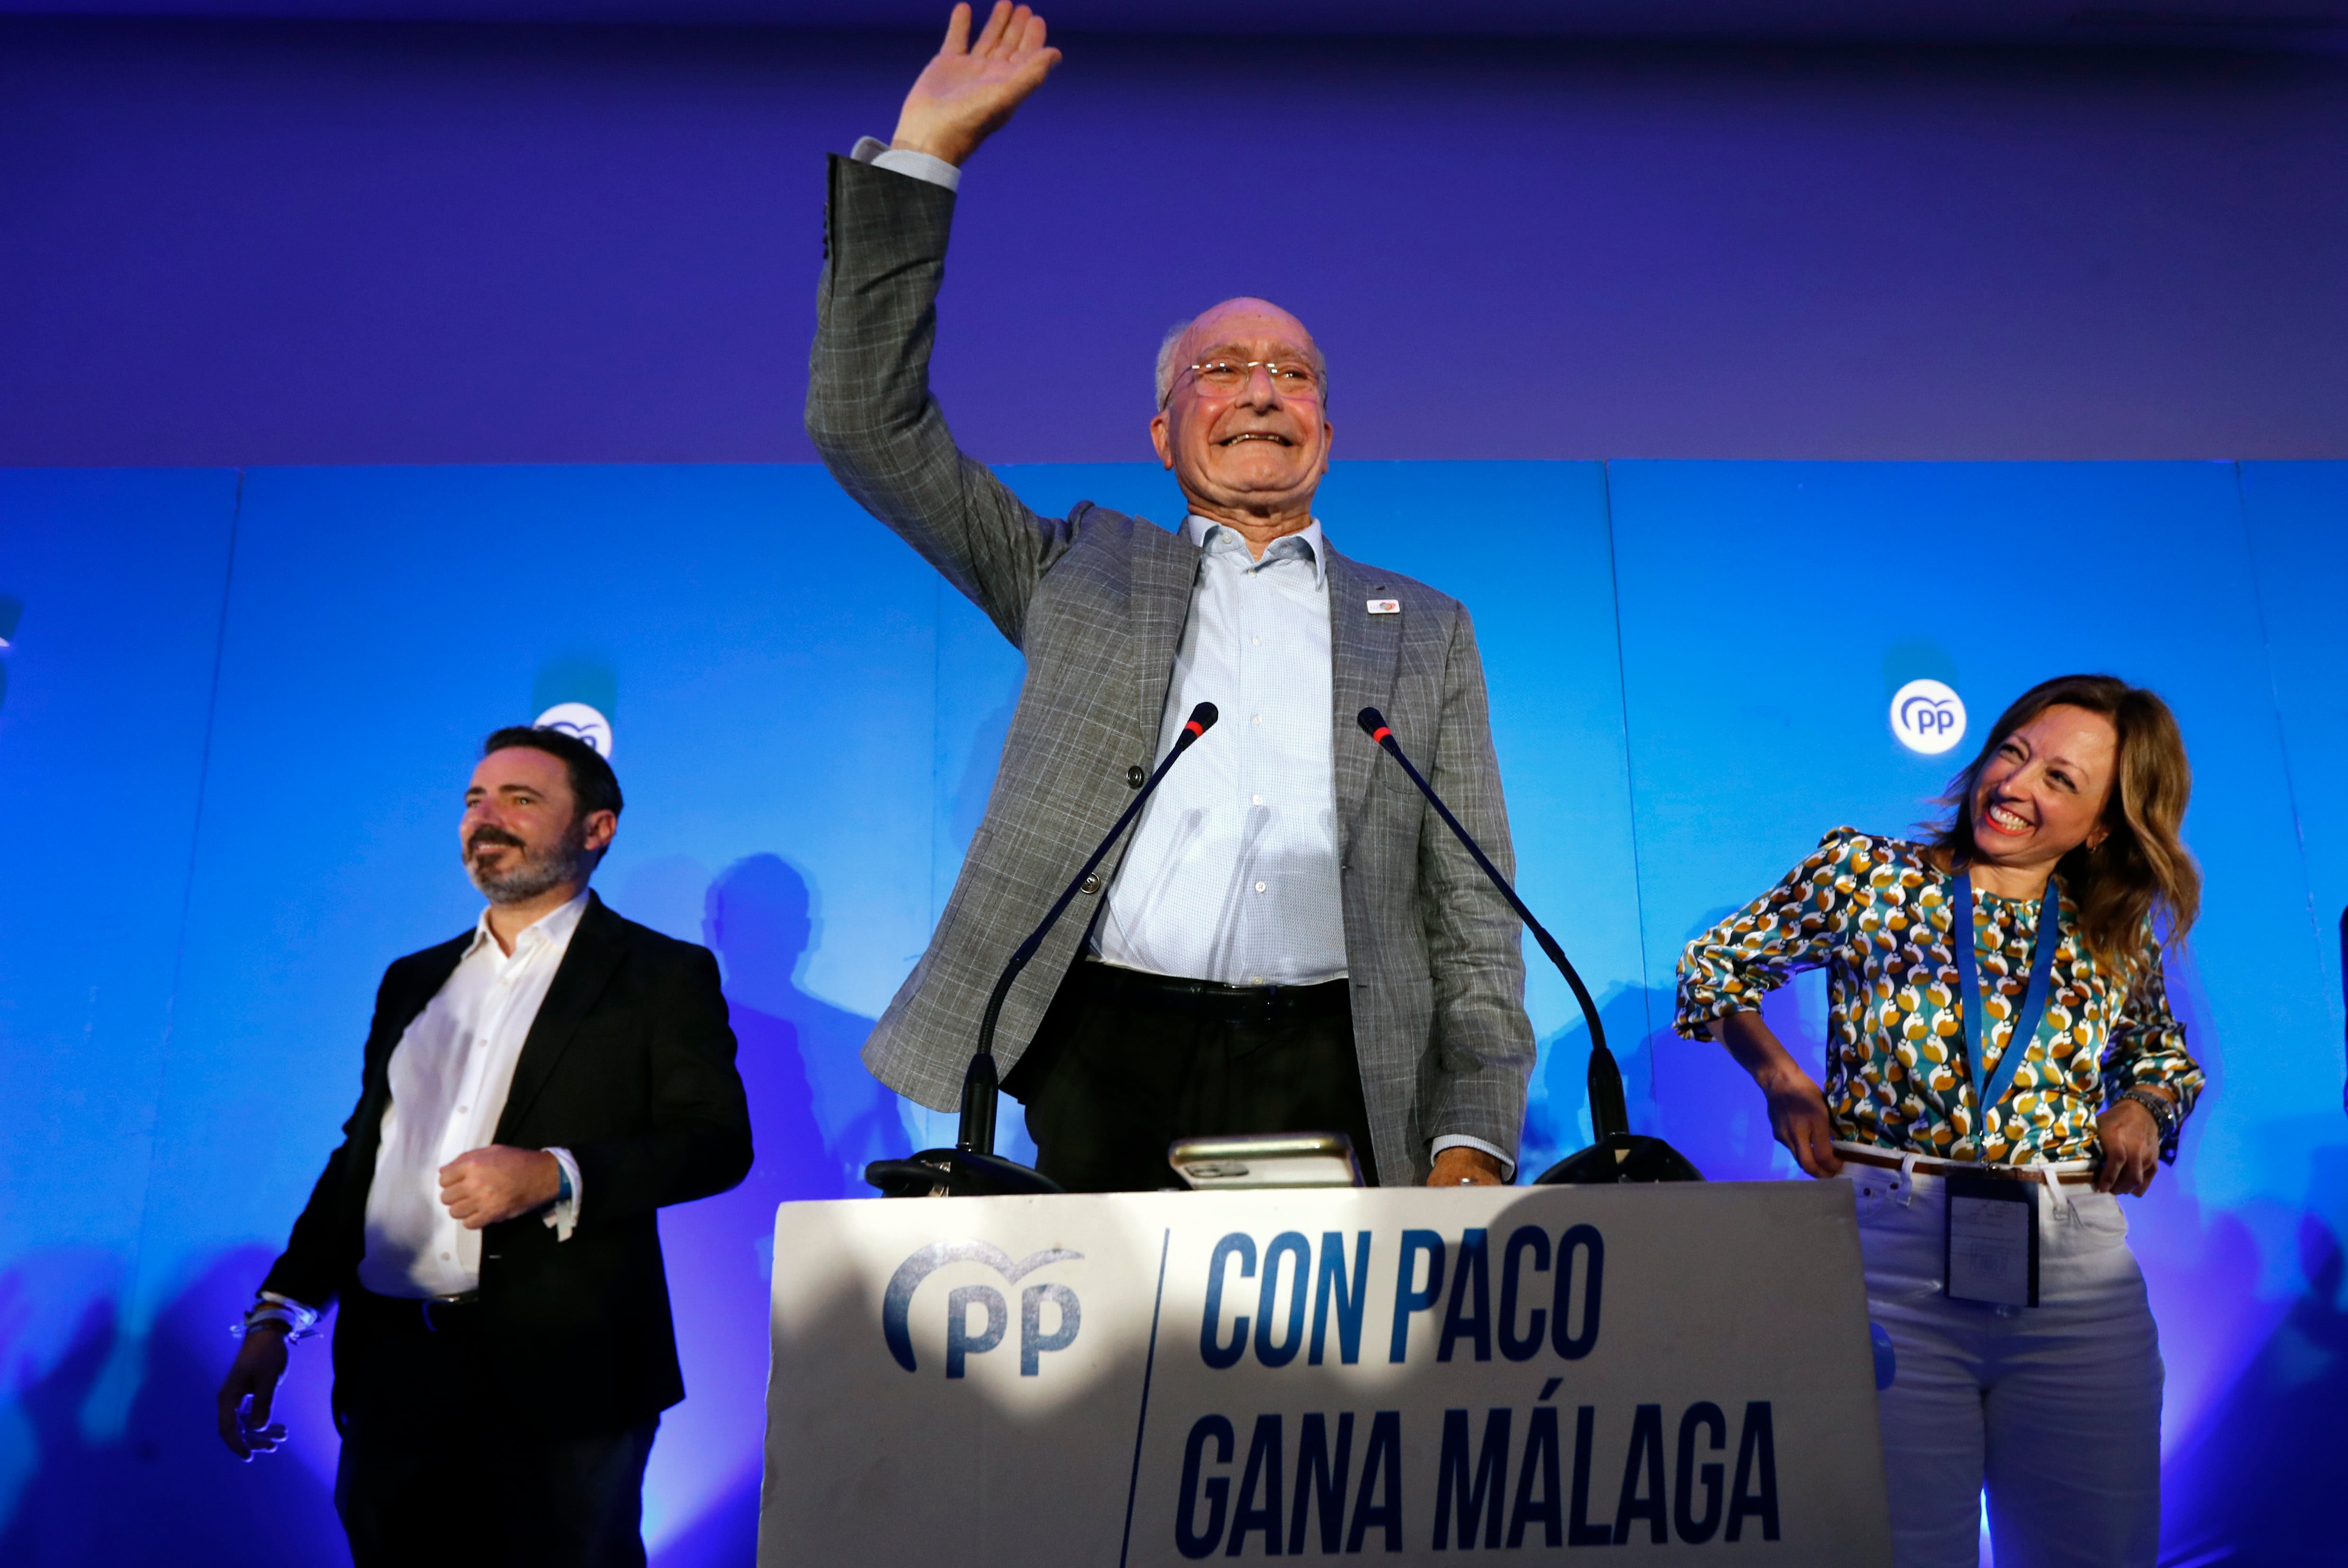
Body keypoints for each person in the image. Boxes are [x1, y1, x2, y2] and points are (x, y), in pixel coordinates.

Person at [808, 2, 1535, 1190]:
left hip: (1339, 1056)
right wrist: (922, 160)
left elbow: (1468, 904)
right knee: (1112, 1372)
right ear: (1160, 431)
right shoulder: (1079, 568)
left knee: (1324, 1380)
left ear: (1325, 429)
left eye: (1290, 374)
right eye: (1221, 370)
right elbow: (864, 426)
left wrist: (1473, 1120)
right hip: (1108, 1048)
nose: (1260, 391)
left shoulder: (1425, 628)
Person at [1677, 674, 2204, 1568]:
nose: (2016, 786)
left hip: (2071, 1269)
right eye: (2013, 752)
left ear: (2107, 823)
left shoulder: (2113, 928)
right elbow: (1716, 966)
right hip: (1885, 1258)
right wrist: (1782, 1079)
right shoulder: (1867, 874)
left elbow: (2161, 1059)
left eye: (2060, 781)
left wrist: (2143, 1108)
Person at [213, 727, 753, 1568]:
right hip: (393, 1369)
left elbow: (717, 1143)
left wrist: (556, 1174)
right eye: (475, 799)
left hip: (567, 1372)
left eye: (520, 799)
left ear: (597, 828)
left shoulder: (660, 974)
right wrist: (278, 1313)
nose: (485, 817)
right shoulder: (412, 978)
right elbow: (367, 1154)